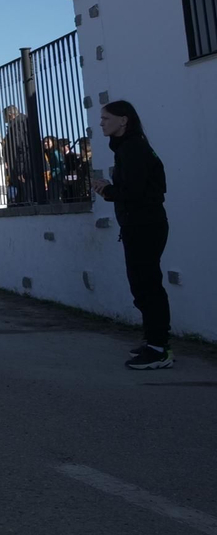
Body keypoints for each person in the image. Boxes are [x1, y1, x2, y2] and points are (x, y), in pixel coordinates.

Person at [91, 101, 171, 369]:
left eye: (106, 118)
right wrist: (112, 189)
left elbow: (136, 193)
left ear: (123, 120)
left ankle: (159, 350)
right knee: (142, 286)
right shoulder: (129, 147)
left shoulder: (133, 148)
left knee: (147, 287)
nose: (101, 122)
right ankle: (154, 343)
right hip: (141, 225)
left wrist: (108, 191)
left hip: (145, 225)